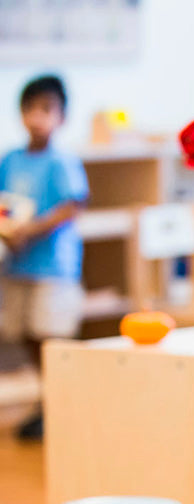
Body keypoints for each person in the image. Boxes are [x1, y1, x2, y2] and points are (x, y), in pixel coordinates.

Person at [0, 74, 89, 440]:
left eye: (47, 109)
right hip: (19, 263)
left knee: (53, 338)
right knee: (27, 336)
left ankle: (65, 407)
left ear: (61, 116)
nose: (38, 117)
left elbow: (72, 206)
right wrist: (9, 231)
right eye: (30, 109)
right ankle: (46, 404)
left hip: (53, 267)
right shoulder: (11, 159)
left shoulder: (62, 162)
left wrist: (30, 230)